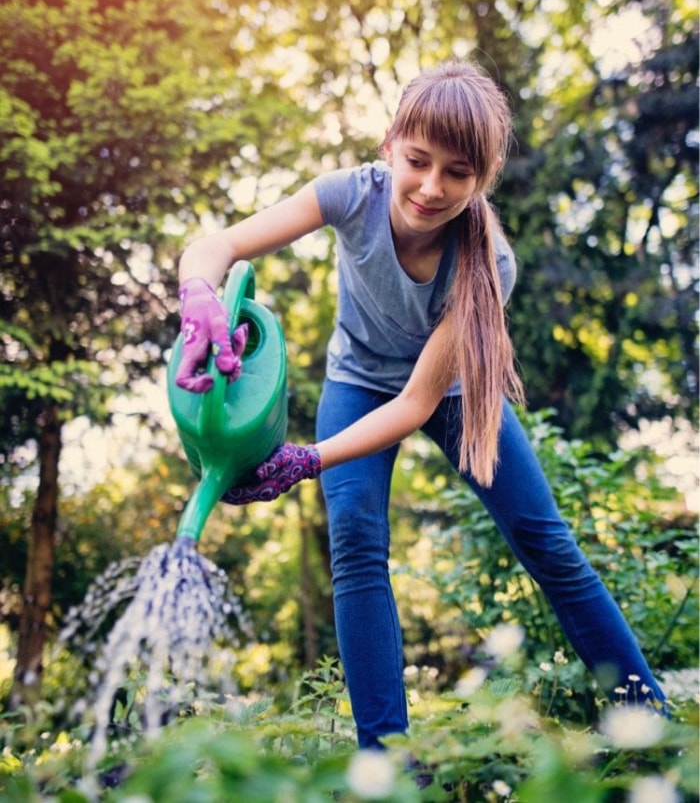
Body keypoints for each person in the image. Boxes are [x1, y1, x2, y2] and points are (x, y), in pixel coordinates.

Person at [176, 59, 667, 749]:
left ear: (482, 178)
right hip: (356, 381)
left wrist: (306, 459)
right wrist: (198, 290)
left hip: (449, 394)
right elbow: (218, 243)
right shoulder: (352, 194)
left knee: (546, 541)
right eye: (418, 160)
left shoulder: (487, 262)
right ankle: (387, 760)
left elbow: (416, 402)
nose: (432, 187)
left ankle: (650, 719)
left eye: (458, 172)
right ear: (389, 145)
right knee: (355, 542)